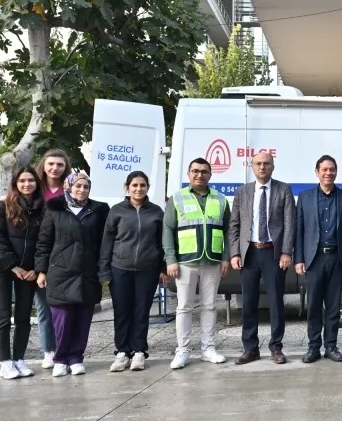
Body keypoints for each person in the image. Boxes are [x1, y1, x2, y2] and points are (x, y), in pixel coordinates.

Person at [35, 170, 109, 376]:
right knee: (62, 319)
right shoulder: (55, 209)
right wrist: (41, 271)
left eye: (86, 186)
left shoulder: (99, 210)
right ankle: (60, 359)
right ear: (68, 187)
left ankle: (76, 357)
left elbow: (104, 242)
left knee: (83, 319)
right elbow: (44, 242)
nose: (82, 190)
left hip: (88, 271)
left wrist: (103, 270)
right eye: (78, 186)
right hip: (60, 272)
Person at [163, 158, 231, 369]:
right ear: (188, 174)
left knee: (210, 306)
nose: (199, 175)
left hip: (212, 260)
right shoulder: (177, 198)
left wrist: (226, 257)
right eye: (195, 171)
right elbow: (168, 230)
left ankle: (208, 349)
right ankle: (182, 350)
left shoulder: (220, 199)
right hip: (185, 261)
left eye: (204, 171)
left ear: (210, 174)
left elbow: (228, 231)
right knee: (184, 307)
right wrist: (171, 260)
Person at [230, 151, 296, 365]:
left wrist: (286, 251)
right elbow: (234, 225)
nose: (262, 167)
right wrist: (235, 252)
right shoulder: (242, 192)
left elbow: (289, 223)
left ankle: (276, 347)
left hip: (273, 253)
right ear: (252, 166)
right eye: (258, 163)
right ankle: (250, 349)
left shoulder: (283, 189)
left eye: (266, 163)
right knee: (248, 302)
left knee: (276, 302)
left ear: (272, 166)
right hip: (249, 253)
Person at [99, 171, 167, 372]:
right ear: (127, 187)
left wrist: (162, 268)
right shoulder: (116, 211)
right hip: (120, 268)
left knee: (141, 310)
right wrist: (104, 271)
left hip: (147, 269)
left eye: (142, 185)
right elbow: (107, 242)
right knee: (122, 310)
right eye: (134, 185)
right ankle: (122, 352)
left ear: (148, 187)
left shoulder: (156, 212)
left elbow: (161, 242)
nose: (138, 189)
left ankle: (139, 351)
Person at [294, 155, 342, 363]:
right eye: (324, 169)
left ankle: (331, 346)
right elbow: (299, 230)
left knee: (333, 306)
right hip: (314, 259)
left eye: (332, 169)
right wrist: (298, 258)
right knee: (313, 306)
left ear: (336, 172)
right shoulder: (305, 197)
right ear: (317, 172)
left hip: (337, 258)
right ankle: (313, 347)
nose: (328, 173)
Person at [0, 167, 44, 379]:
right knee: (2, 316)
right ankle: (4, 362)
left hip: (28, 272)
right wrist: (12, 265)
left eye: (31, 180)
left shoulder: (43, 208)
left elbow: (45, 241)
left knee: (23, 317)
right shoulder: (3, 205)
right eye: (22, 181)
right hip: (3, 268)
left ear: (37, 183)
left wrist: (37, 268)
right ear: (15, 184)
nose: (27, 184)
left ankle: (19, 359)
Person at [33, 148, 70, 369]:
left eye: (60, 165)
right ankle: (49, 350)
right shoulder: (34, 188)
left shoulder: (70, 189)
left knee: (64, 309)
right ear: (44, 166)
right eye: (51, 164)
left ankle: (65, 350)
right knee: (44, 306)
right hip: (39, 252)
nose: (55, 168)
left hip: (64, 253)